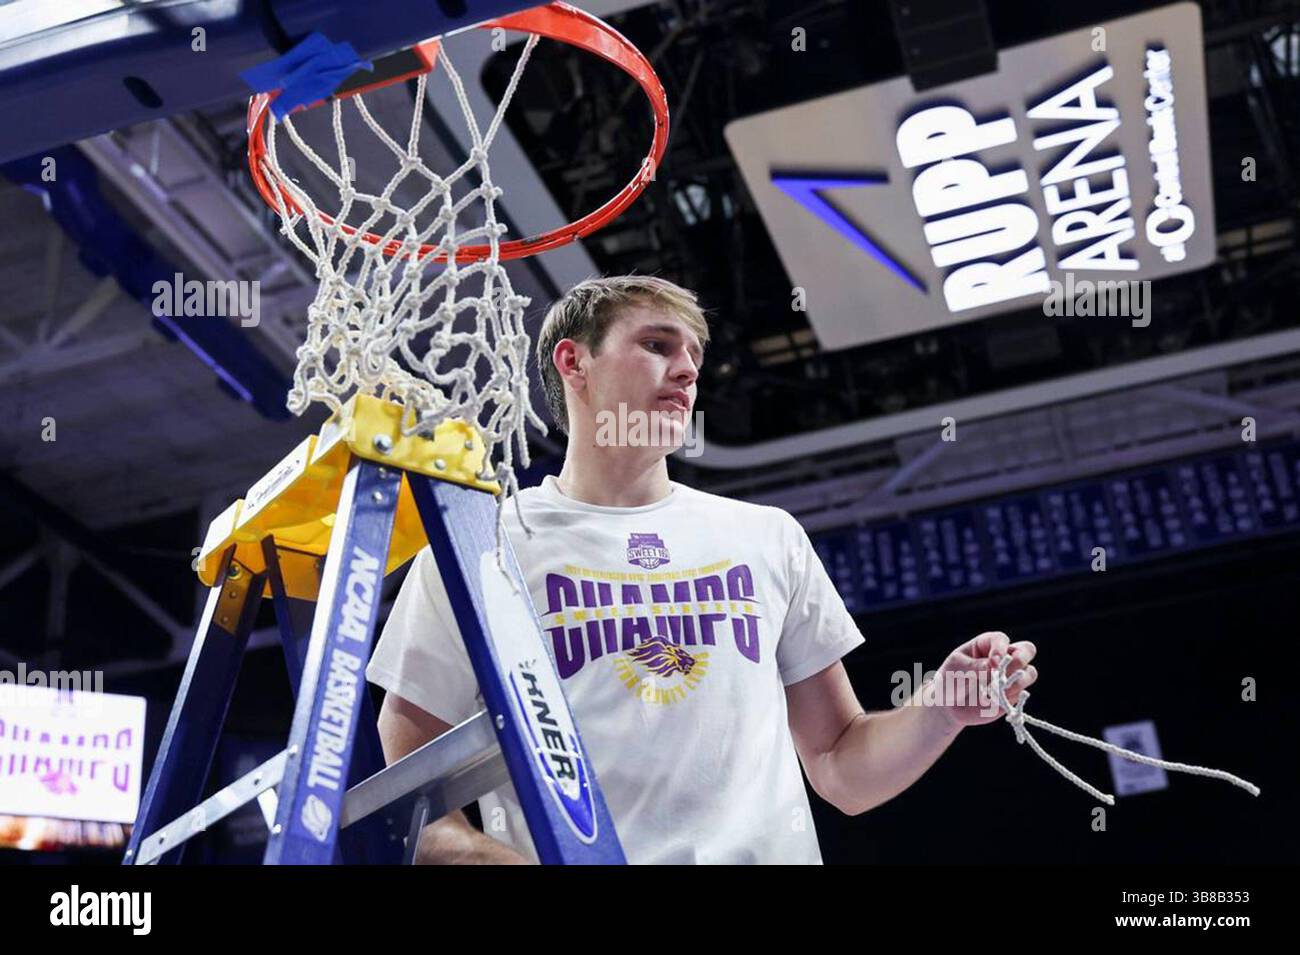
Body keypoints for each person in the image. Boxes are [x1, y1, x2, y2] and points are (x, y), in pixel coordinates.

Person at [366, 275, 1038, 864]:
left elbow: (839, 764)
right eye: (658, 345)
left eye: (694, 353)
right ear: (574, 361)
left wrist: (940, 709)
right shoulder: (481, 550)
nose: (688, 369)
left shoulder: (767, 538)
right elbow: (418, 814)